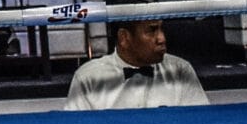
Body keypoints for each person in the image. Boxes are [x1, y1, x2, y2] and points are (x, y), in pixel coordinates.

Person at [64, 17, 208, 110]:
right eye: (152, 30)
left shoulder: (180, 70)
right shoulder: (88, 76)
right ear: (124, 38)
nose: (162, 39)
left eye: (161, 29)